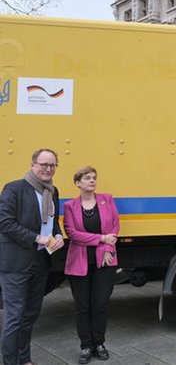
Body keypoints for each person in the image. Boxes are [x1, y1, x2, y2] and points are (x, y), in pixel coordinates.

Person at [0, 148, 65, 365]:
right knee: (14, 318)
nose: (48, 169)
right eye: (44, 164)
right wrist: (38, 238)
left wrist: (57, 235)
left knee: (30, 314)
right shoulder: (14, 189)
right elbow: (5, 223)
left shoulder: (52, 191)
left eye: (52, 165)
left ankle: (24, 359)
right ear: (32, 165)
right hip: (16, 263)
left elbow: (52, 221)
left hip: (41, 261)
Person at [63, 166, 119, 364]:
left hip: (105, 261)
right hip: (79, 263)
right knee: (82, 306)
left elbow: (114, 227)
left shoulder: (107, 199)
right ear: (77, 183)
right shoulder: (70, 207)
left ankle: (99, 343)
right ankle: (86, 346)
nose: (92, 181)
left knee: (101, 304)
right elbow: (73, 234)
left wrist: (106, 249)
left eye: (94, 178)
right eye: (87, 178)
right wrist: (102, 238)